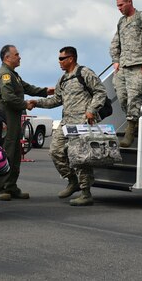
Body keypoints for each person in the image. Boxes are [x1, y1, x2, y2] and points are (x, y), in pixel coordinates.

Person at [28, 47, 107, 206]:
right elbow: (55, 100)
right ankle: (72, 181)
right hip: (66, 123)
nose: (59, 62)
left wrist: (91, 110)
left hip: (82, 122)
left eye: (62, 58)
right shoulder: (63, 79)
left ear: (71, 58)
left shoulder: (84, 73)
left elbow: (100, 92)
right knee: (55, 151)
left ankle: (86, 193)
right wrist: (37, 102)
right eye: (59, 58)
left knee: (80, 157)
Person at [0, 45, 53, 201]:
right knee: (6, 151)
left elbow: (26, 87)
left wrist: (45, 91)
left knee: (16, 152)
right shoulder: (5, 74)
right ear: (7, 57)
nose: (19, 57)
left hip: (13, 116)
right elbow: (8, 97)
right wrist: (26, 105)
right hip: (4, 117)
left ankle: (10, 186)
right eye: (16, 54)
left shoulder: (13, 75)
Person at [110, 0, 142, 148]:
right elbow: (115, 42)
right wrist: (116, 60)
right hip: (123, 66)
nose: (119, 9)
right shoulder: (121, 21)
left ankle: (130, 131)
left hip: (138, 65)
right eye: (117, 6)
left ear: (129, 2)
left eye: (121, 5)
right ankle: (135, 122)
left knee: (134, 98)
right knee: (122, 97)